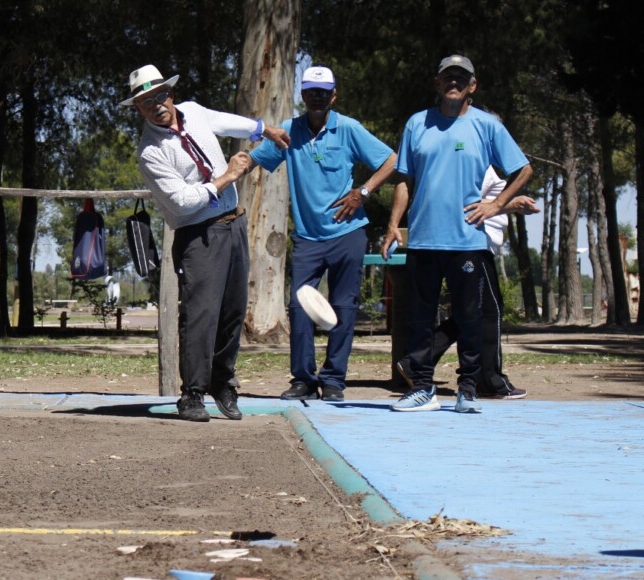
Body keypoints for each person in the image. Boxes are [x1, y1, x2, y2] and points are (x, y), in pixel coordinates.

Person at [124, 64, 289, 421]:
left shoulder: (194, 112)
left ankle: (223, 382)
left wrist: (265, 129)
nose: (157, 105)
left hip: (234, 223)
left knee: (233, 310)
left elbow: (227, 121)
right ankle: (192, 394)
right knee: (200, 314)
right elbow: (182, 201)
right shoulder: (151, 152)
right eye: (145, 101)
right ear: (137, 108)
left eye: (159, 95)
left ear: (171, 93)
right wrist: (227, 176)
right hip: (199, 234)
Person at [382, 54, 533, 413]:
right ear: (437, 83)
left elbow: (523, 170)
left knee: (469, 318)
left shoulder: (487, 126)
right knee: (419, 319)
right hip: (422, 239)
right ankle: (422, 389)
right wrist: (392, 224)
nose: (454, 83)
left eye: (461, 78)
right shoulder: (417, 124)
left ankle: (467, 389)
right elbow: (405, 178)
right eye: (448, 77)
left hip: (467, 240)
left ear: (472, 86)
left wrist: (495, 206)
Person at [246, 66, 396, 402]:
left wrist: (364, 192)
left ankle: (333, 381)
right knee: (299, 308)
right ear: (302, 95)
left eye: (323, 91)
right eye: (311, 90)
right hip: (308, 239)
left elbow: (391, 160)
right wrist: (221, 178)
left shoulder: (349, 129)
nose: (317, 96)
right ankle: (302, 379)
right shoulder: (289, 131)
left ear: (334, 96)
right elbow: (252, 160)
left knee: (344, 306)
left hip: (348, 234)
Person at [395, 165, 539, 399]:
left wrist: (510, 204)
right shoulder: (474, 160)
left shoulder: (486, 165)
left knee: (471, 312)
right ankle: (488, 379)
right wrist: (507, 204)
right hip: (474, 244)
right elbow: (461, 200)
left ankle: (419, 362)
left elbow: (480, 201)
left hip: (479, 244)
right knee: (488, 313)